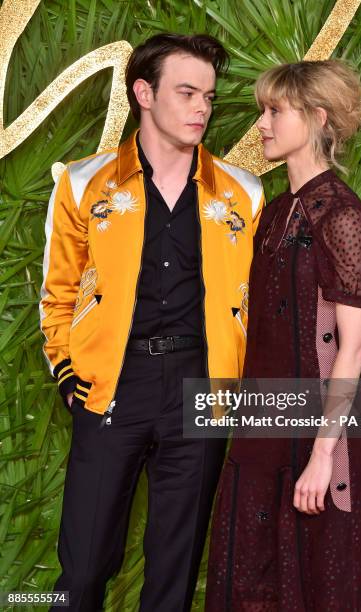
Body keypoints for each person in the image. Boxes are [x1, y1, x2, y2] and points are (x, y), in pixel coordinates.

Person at [39, 33, 265, 611]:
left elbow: (258, 300)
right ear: (143, 92)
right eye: (186, 92)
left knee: (174, 572)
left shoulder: (243, 192)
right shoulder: (85, 183)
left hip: (202, 388)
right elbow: (58, 292)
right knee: (84, 568)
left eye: (209, 97)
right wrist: (67, 372)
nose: (200, 109)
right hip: (111, 384)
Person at [205, 60, 361, 611]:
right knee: (249, 582)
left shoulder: (341, 215)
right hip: (262, 427)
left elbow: (353, 346)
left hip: (317, 435)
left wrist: (320, 457)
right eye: (263, 110)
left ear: (316, 118)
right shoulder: (276, 211)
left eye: (274, 111)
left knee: (322, 584)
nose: (261, 123)